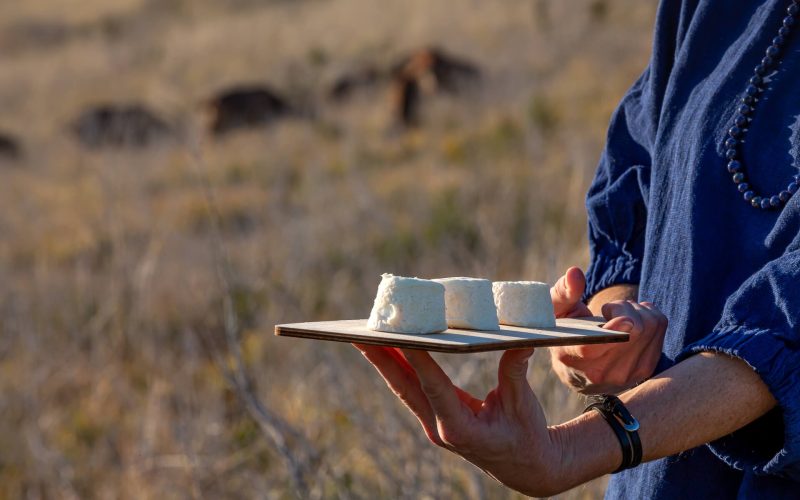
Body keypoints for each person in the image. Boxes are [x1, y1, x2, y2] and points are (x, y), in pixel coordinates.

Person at [353, 0, 800, 497]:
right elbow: (640, 163)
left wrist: (576, 449)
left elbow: (789, 321)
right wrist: (606, 324)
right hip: (654, 476)